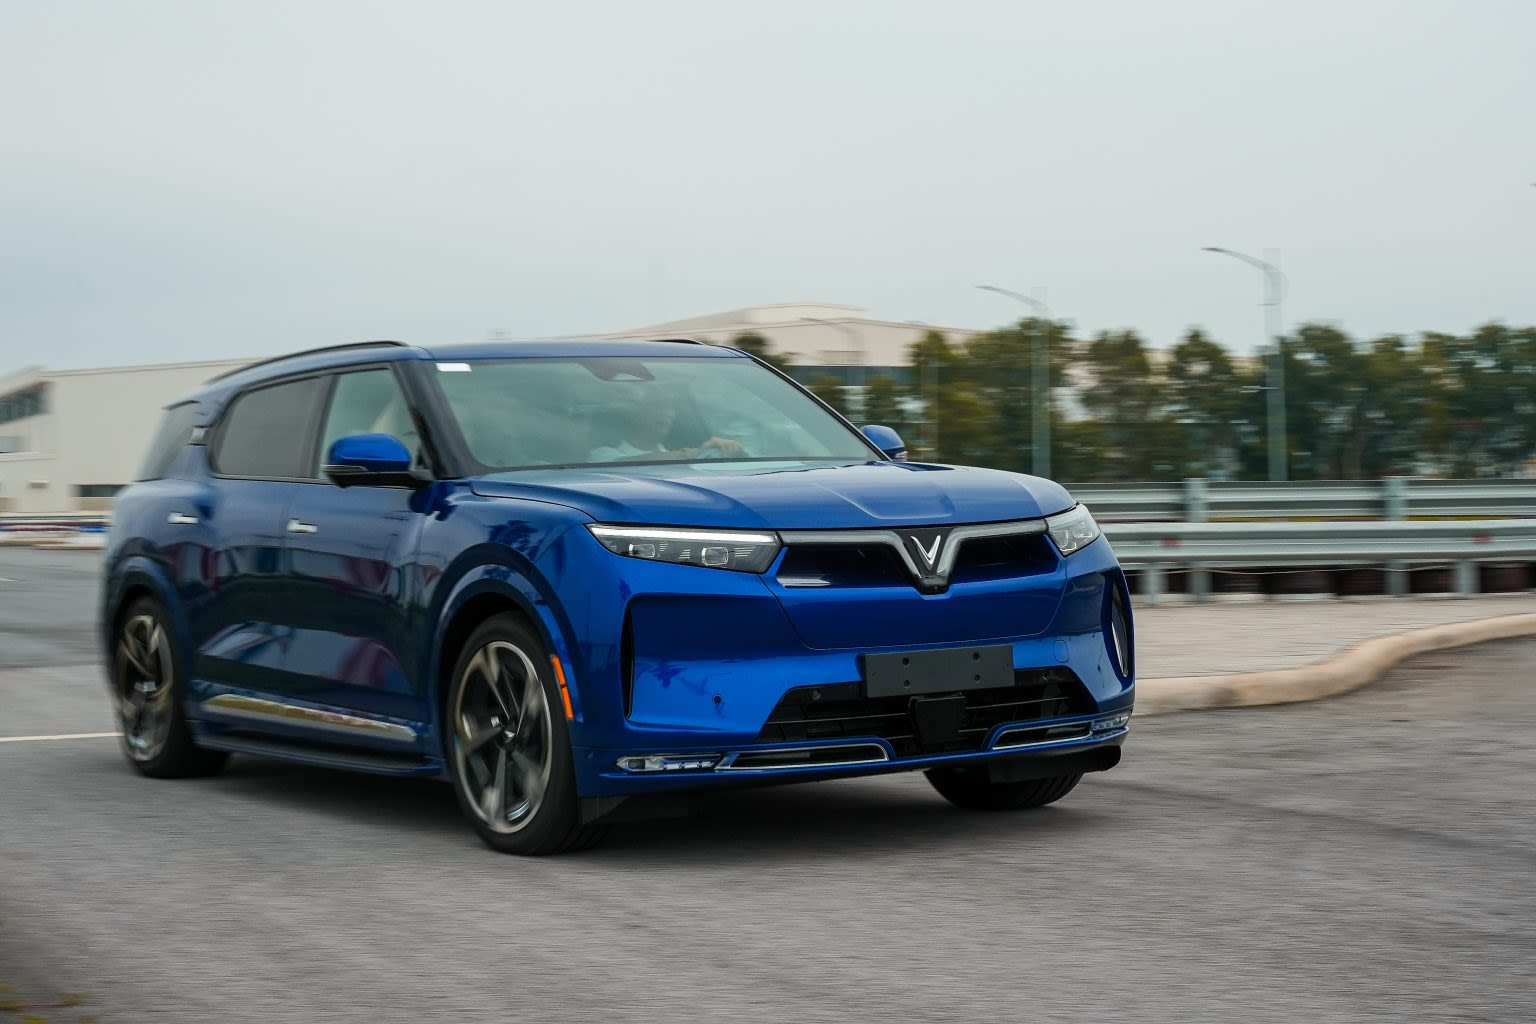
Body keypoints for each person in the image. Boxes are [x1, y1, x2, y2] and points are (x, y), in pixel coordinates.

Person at [588, 399, 744, 463]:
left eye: (670, 408)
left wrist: (728, 449)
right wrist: (696, 453)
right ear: (636, 414)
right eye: (656, 406)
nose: (666, 413)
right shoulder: (602, 455)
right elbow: (625, 465)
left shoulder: (671, 454)